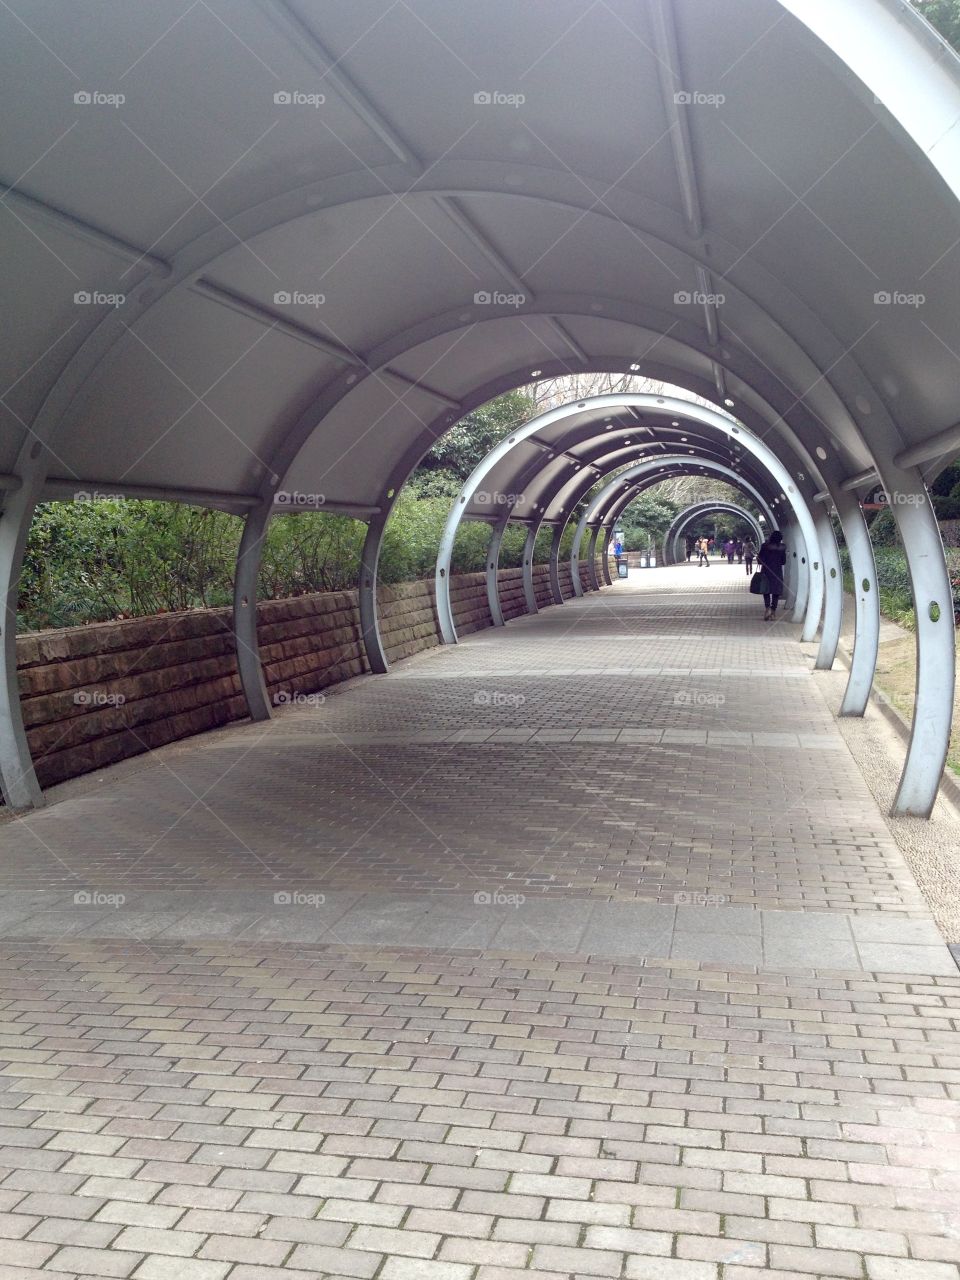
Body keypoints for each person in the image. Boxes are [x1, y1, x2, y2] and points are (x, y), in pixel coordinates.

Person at [757, 531, 786, 620]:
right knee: (776, 592)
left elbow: (760, 560)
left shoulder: (765, 546)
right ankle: (773, 611)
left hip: (766, 571)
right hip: (777, 572)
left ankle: (767, 608)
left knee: (766, 590)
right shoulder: (782, 548)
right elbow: (783, 562)